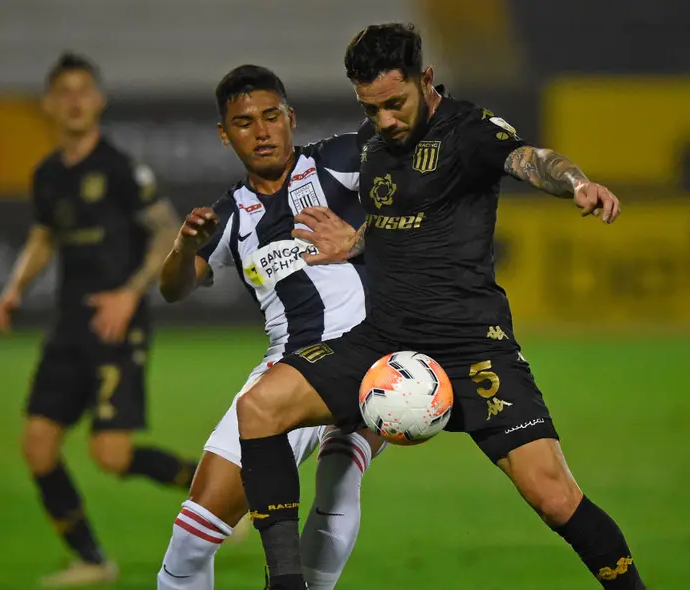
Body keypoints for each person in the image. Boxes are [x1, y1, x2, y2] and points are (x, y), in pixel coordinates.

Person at [232, 24, 647, 590]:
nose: (385, 121)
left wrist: (575, 183)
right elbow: (401, 221)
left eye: (395, 104)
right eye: (371, 108)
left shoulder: (468, 132)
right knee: (259, 409)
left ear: (425, 80)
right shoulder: (376, 143)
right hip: (383, 340)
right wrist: (352, 242)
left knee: (554, 497)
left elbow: (531, 158)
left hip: (471, 348)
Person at [156, 64, 385, 590]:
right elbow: (173, 287)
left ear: (290, 117)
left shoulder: (339, 162)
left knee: (338, 476)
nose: (261, 132)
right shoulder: (230, 216)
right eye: (243, 122)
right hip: (287, 367)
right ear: (224, 134)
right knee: (193, 535)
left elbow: (413, 157)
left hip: (369, 354)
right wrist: (184, 246)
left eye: (270, 116)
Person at [0, 52, 199, 587]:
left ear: (99, 100)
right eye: (64, 91)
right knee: (37, 446)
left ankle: (219, 491)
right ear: (49, 104)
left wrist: (130, 295)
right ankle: (92, 560)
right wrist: (15, 288)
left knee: (111, 454)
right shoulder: (47, 175)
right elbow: (44, 237)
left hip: (116, 326)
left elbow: (165, 233)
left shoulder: (120, 168)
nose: (75, 100)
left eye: (84, 90)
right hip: (69, 327)